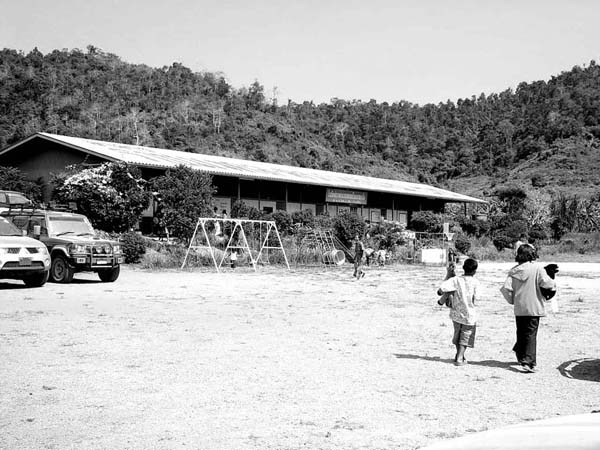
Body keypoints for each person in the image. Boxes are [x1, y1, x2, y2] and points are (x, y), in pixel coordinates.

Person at [500, 245, 556, 373]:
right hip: (534, 306)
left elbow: (506, 288)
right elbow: (547, 283)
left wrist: (512, 300)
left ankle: (520, 354)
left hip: (520, 307)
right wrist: (552, 278)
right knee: (530, 334)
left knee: (521, 332)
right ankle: (528, 362)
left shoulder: (514, 271)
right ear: (531, 255)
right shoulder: (537, 268)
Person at [437, 258, 479, 366]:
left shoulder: (456, 280)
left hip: (456, 313)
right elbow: (477, 298)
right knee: (465, 335)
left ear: (463, 268)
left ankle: (459, 355)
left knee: (458, 334)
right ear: (475, 271)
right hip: (469, 315)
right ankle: (460, 358)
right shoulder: (475, 282)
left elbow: (441, 290)